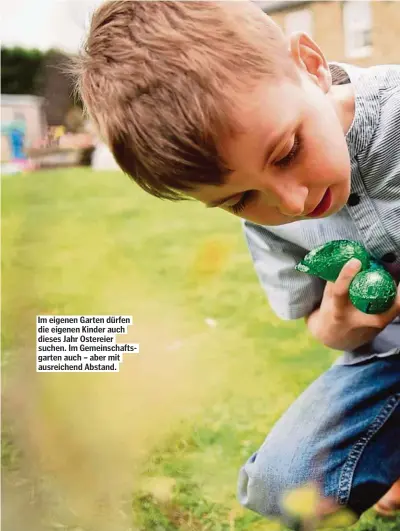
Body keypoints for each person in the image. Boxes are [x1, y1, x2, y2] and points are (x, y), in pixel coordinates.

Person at [73, 1, 400, 526]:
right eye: (240, 200)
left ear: (312, 66)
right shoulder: (270, 217)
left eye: (288, 150)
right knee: (288, 488)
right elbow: (318, 321)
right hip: (389, 356)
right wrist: (340, 327)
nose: (290, 204)